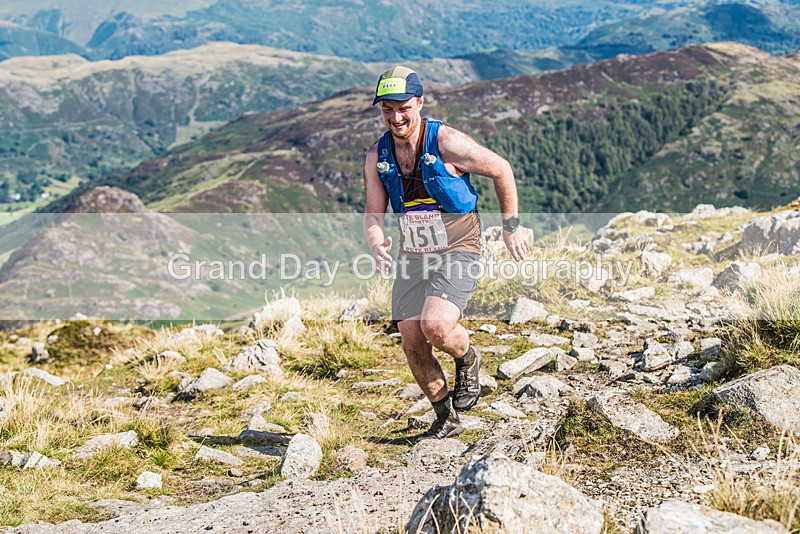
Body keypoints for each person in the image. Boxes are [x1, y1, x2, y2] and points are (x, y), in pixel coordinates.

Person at [363, 66, 529, 440]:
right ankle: (444, 417)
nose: (396, 117)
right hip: (413, 251)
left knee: (436, 327)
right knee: (411, 340)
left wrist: (511, 227)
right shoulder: (377, 155)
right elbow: (373, 215)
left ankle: (467, 357)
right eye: (387, 109)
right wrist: (376, 243)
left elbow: (501, 169)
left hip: (458, 244)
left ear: (419, 103)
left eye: (403, 107)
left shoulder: (446, 141)